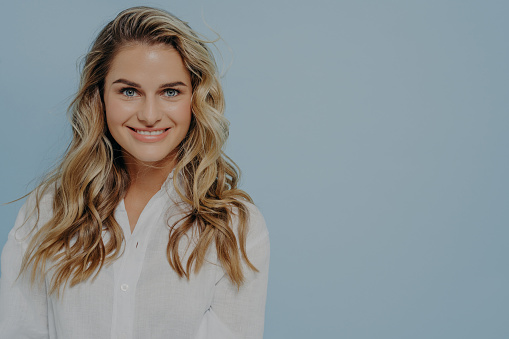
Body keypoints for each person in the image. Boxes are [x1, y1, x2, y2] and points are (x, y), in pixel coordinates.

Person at [0, 6, 269, 339]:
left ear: (195, 100)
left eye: (170, 92)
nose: (150, 115)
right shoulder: (48, 209)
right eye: (129, 91)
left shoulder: (235, 226)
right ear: (98, 98)